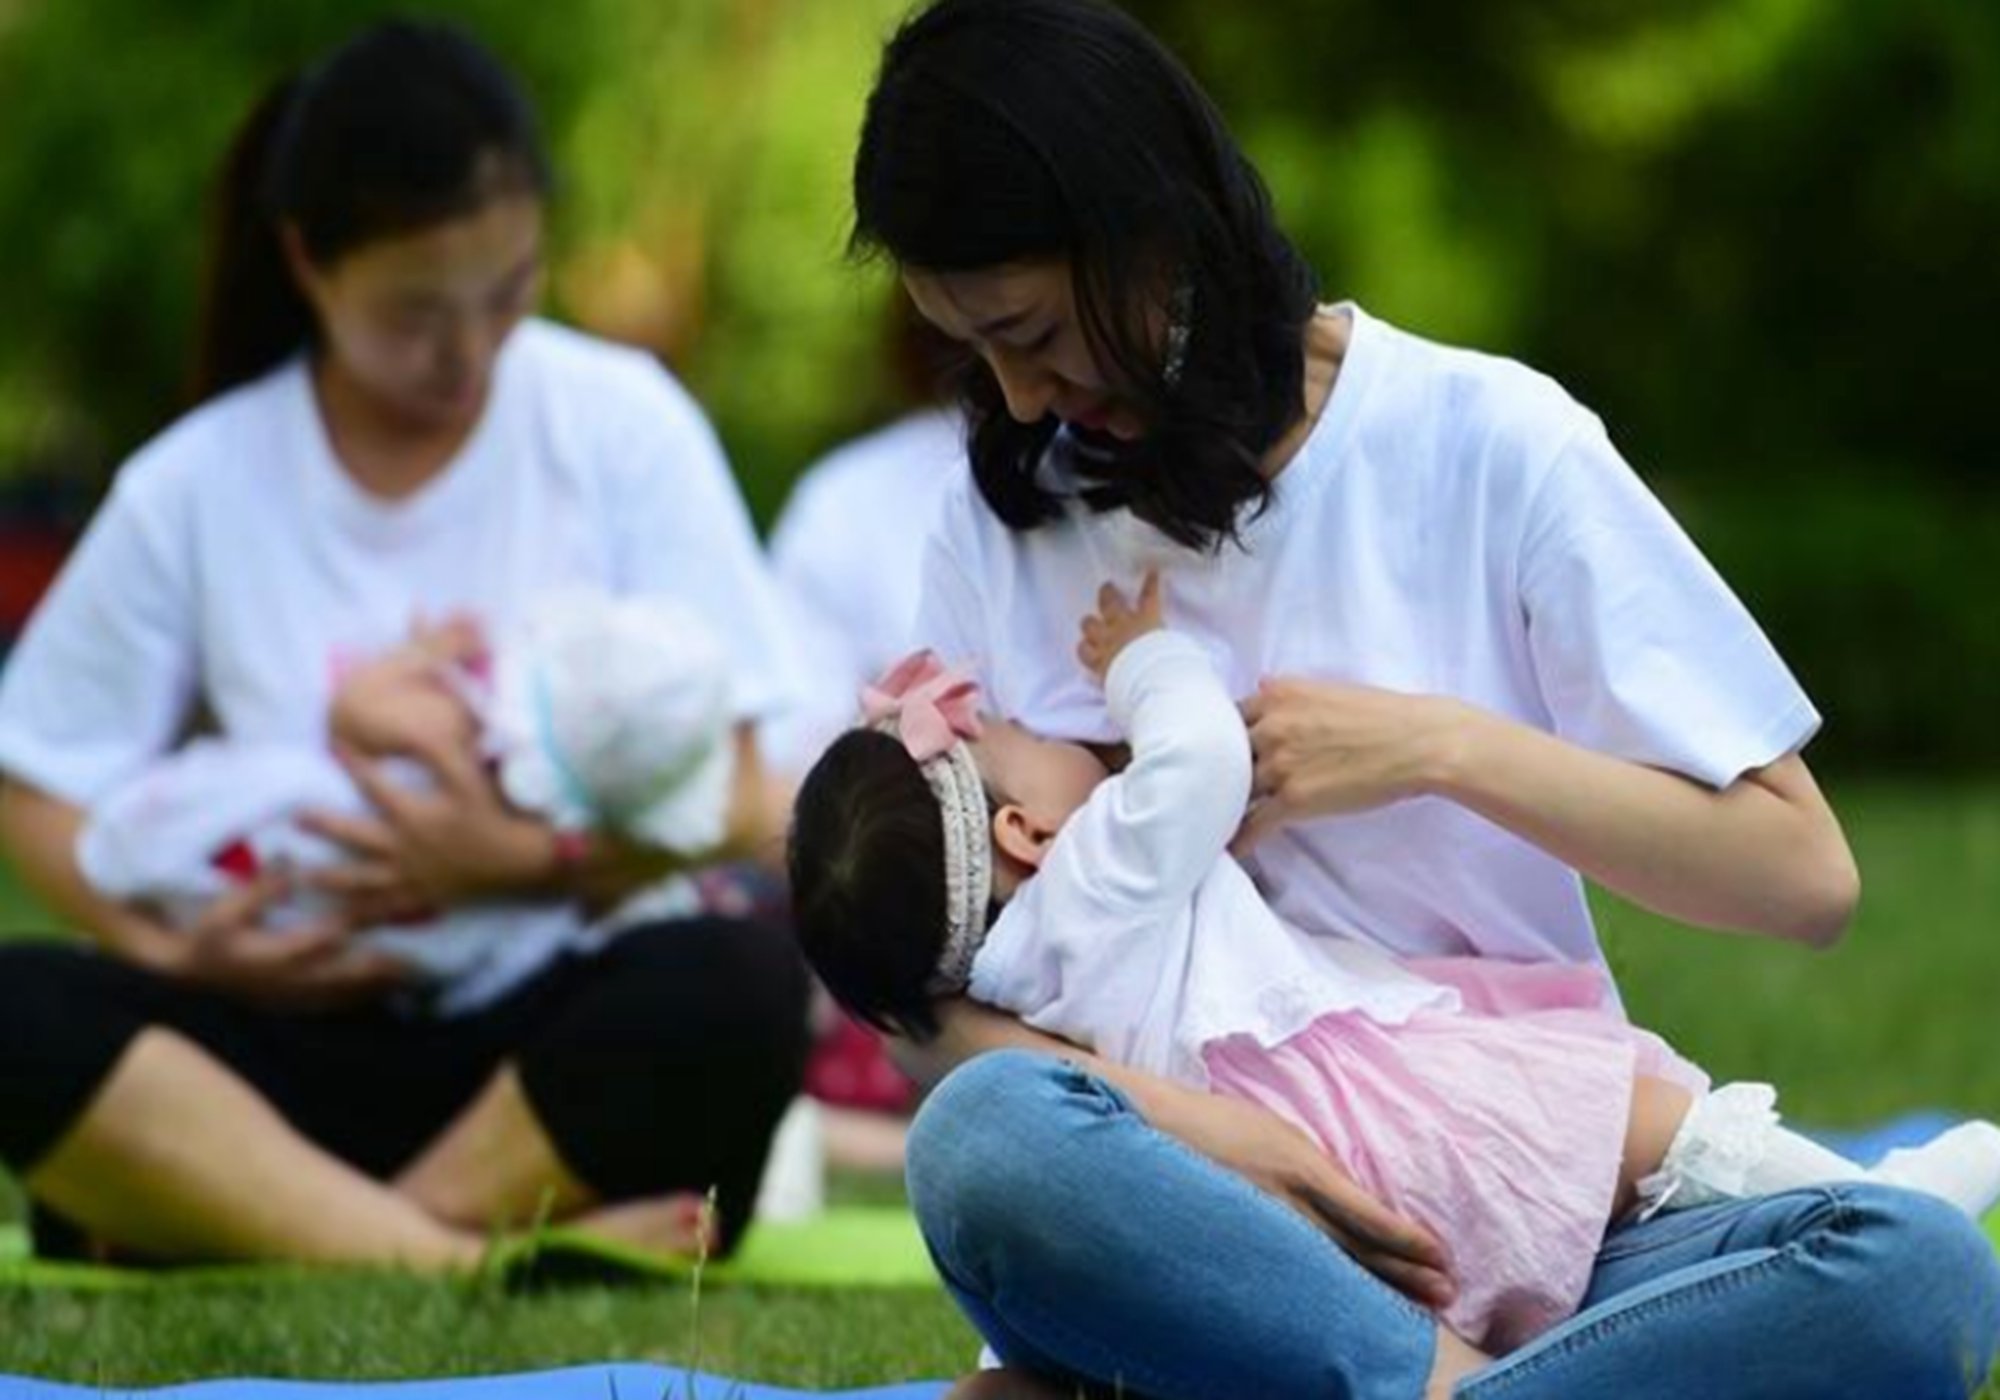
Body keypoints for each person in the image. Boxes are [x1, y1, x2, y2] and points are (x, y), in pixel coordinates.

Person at [843, 0, 2000, 1395]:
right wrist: (1234, 1152)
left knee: (1914, 1272)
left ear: (1151, 230)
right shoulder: (1001, 529)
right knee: (982, 1139)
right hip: (1200, 1241)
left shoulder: (1487, 443)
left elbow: (1800, 875)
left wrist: (1439, 749)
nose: (1021, 401)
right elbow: (923, 998)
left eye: (1030, 333)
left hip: (1539, 1221)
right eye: (976, 352)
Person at [0, 20, 809, 1269]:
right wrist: (175, 947)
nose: (468, 351)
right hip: (283, 1032)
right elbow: (35, 780)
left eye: (509, 290)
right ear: (308, 264)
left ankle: (243, 1217)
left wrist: (518, 862)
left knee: (736, 983)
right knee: (21, 1007)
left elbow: (748, 791)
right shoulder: (196, 481)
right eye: (417, 314)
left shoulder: (620, 425)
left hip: (539, 1045)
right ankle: (449, 1253)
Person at [790, 579, 2000, 1359]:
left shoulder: (1009, 981)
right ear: (1024, 831)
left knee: (1631, 1168)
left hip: (1308, 1220)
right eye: (1024, 738)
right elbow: (1200, 758)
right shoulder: (1092, 877)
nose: (1062, 739)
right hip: (1373, 1117)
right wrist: (1141, 660)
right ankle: (1873, 1200)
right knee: (1635, 1118)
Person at [76, 595, 737, 1015]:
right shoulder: (569, 848)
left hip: (279, 855)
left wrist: (424, 655)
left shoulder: (450, 726)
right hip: (383, 950)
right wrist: (552, 858)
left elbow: (352, 711)